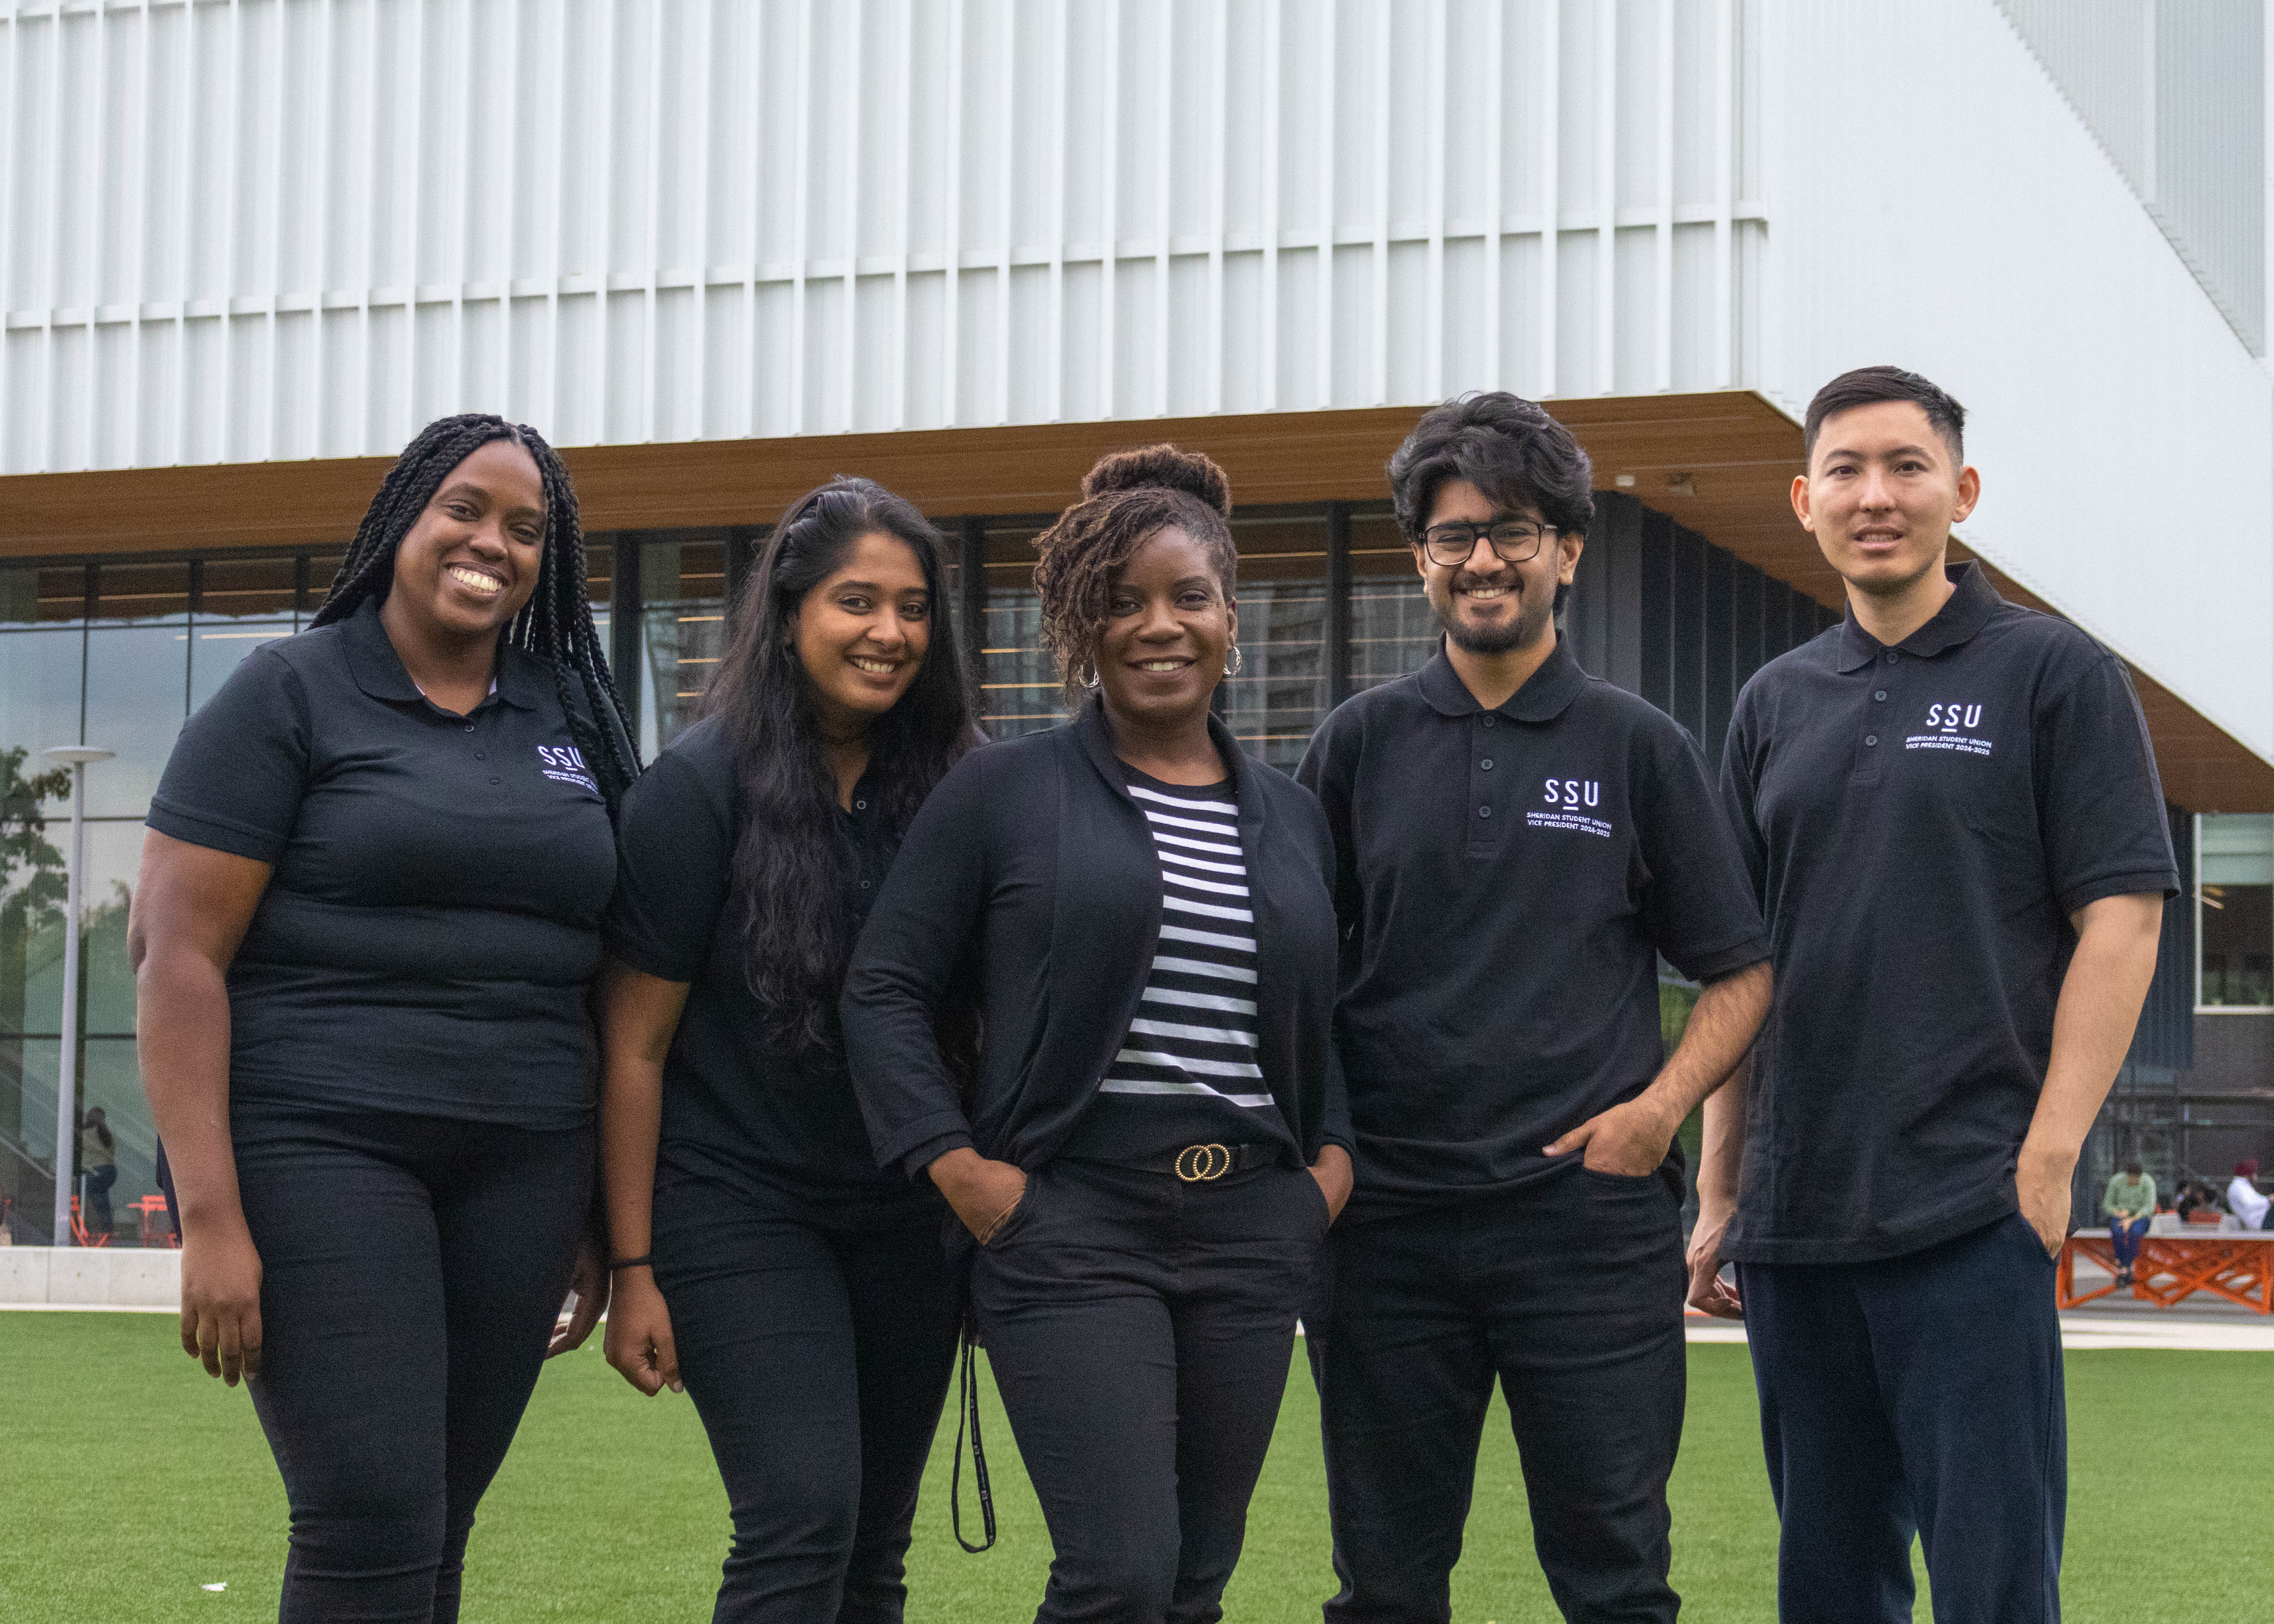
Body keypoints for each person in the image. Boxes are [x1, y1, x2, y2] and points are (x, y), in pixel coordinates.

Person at [131, 413, 639, 1624]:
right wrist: (211, 1221)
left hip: (524, 1160)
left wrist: (592, 1216)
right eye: (464, 508)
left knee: (437, 1516)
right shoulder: (289, 693)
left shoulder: (569, 712)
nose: (492, 543)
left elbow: (612, 969)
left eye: (528, 528)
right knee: (366, 1512)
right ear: (403, 519)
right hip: (320, 1149)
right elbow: (174, 958)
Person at [1693, 366, 2174, 1623]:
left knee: (1993, 1580)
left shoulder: (2053, 675)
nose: (1875, 495)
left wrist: (2050, 1153)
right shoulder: (1770, 704)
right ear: (1803, 500)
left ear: (1960, 492)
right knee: (1829, 1583)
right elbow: (1740, 967)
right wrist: (1718, 1188)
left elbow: (2122, 918)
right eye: (1844, 470)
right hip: (1797, 1219)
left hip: (1970, 1197)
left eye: (1905, 467)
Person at [842, 446, 1352, 1624]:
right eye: (1120, 602)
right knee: (1117, 1575)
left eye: (1185, 598)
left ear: (1230, 615)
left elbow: (1333, 1016)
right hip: (1071, 1224)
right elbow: (883, 988)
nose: (1155, 626)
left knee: (1192, 1580)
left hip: (1248, 1227)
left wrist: (1323, 1174)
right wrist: (963, 1173)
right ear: (1080, 624)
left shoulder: (1289, 817)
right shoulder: (1005, 791)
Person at [1293, 393, 1772, 1624]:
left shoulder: (1638, 748)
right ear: (1419, 558)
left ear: (1566, 548)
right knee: (1384, 1586)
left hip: (1586, 1231)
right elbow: (1290, 974)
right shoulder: (1356, 745)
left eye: (1512, 530)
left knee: (1613, 1579)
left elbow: (1740, 970)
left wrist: (1657, 1114)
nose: (1482, 558)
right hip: (1387, 1233)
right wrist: (1328, 1159)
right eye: (1452, 535)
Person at [598, 478, 980, 1621]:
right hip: (736, 1205)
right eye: (856, 601)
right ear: (788, 613)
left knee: (874, 1548)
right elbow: (633, 1046)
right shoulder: (696, 792)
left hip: (910, 1213)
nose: (889, 633)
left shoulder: (965, 789)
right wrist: (631, 1270)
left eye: (913, 609)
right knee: (800, 1520)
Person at [2103, 1162, 2156, 1285]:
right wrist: (2120, 1214)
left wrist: (2131, 1220)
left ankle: (2124, 1268)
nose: (2133, 1182)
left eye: (2136, 1180)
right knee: (2117, 1233)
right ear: (2126, 1176)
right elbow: (2107, 1205)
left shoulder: (2148, 1182)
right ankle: (2125, 1268)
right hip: (2121, 1215)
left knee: (2135, 1234)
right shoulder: (2116, 1181)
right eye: (2131, 1179)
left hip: (2139, 1217)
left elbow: (2149, 1208)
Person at [79, 1106, 118, 1240]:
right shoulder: (107, 1133)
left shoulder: (85, 1133)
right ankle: (107, 1228)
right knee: (103, 1199)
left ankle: (104, 1229)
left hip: (95, 1171)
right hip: (109, 1171)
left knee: (95, 1200)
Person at [2229, 1161, 2270, 1231]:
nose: (2256, 1177)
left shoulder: (2244, 1186)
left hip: (2263, 1218)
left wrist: (2269, 1199)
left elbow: (2259, 1199)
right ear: (2248, 1174)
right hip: (2258, 1221)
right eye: (2254, 1173)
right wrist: (2268, 1200)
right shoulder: (2237, 1187)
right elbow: (2249, 1205)